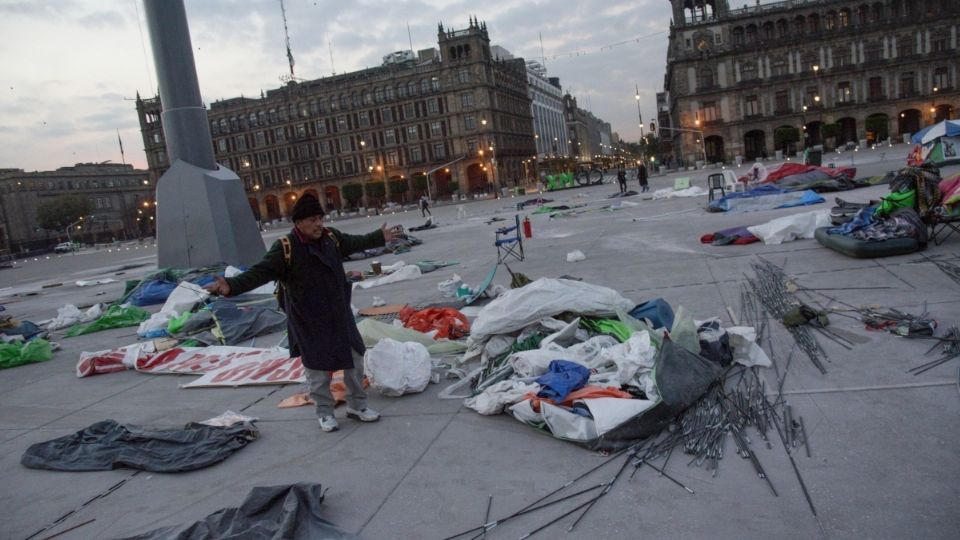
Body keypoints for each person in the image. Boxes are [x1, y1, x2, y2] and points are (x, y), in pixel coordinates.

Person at [204, 194, 404, 432]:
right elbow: (260, 272)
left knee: (354, 360)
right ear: (298, 222)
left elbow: (354, 242)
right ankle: (325, 413)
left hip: (339, 314)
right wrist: (231, 285)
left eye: (320, 218)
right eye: (312, 219)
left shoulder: (331, 238)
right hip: (309, 320)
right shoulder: (285, 248)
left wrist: (378, 237)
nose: (319, 223)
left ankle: (357, 406)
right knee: (319, 370)